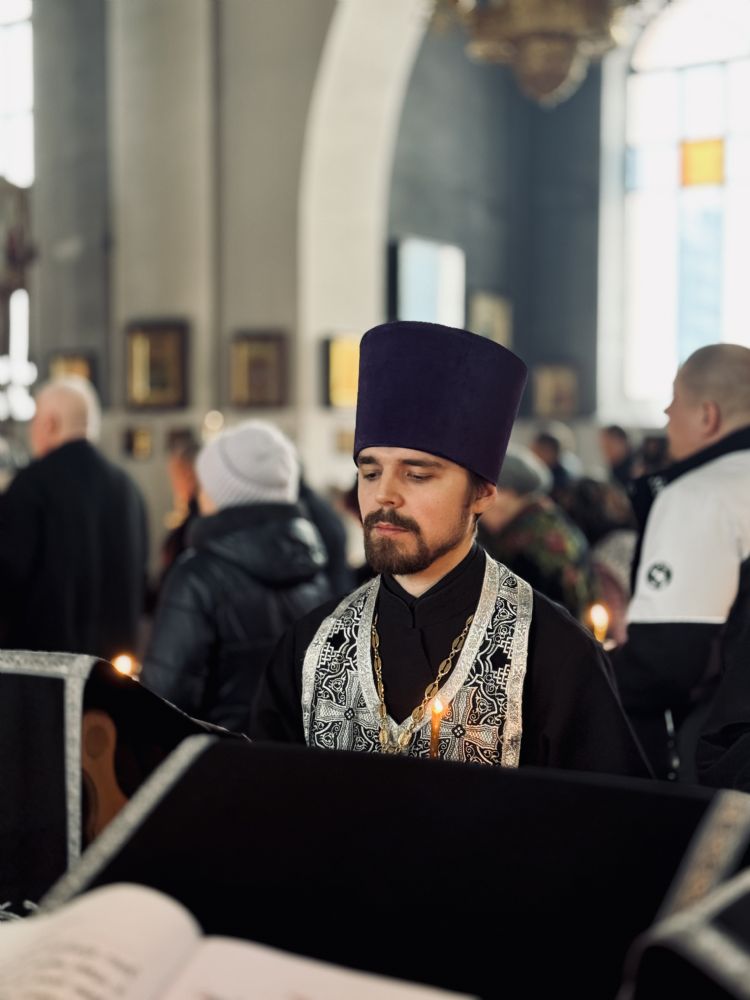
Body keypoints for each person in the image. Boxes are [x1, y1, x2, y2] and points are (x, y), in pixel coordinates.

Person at [251, 321, 648, 777]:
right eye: (370, 472)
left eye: (417, 475)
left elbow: (610, 815)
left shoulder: (555, 654)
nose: (384, 496)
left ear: (482, 493)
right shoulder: (310, 647)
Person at [139, 420, 332, 733]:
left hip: (219, 758)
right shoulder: (312, 570)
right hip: (296, 758)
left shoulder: (198, 577)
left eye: (205, 485)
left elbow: (160, 703)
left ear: (221, 493)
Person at [612, 344, 750, 780]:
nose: (667, 413)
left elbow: (670, 662)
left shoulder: (699, 495)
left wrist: (585, 674)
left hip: (729, 752)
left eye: (675, 399)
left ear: (708, 415)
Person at [0, 376, 148, 661]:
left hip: (45, 669)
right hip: (110, 672)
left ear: (49, 424)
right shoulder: (128, 488)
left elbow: (7, 578)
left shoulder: (32, 485)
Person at [478, 445, 597, 620]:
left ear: (507, 494)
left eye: (482, 493)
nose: (478, 508)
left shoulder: (528, 540)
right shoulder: (544, 520)